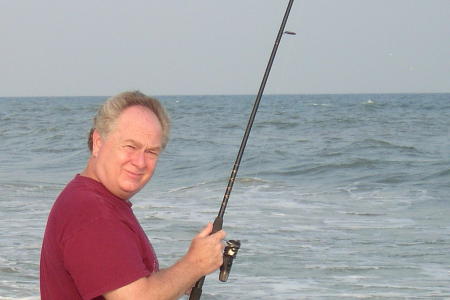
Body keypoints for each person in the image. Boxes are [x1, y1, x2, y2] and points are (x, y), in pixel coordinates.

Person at [40, 91, 226, 300]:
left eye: (151, 152)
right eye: (130, 146)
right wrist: (192, 265)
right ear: (98, 142)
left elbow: (132, 287)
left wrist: (180, 281)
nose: (139, 162)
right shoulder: (92, 211)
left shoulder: (93, 200)